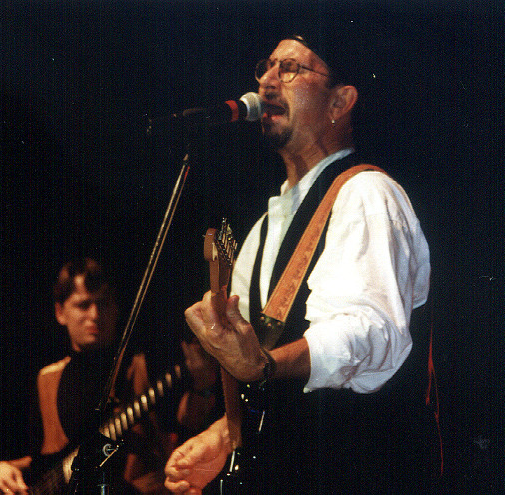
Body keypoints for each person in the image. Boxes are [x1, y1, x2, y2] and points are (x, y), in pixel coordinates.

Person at [164, 34, 436, 494]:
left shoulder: (367, 194)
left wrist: (265, 364)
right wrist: (224, 436)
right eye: (265, 67)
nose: (267, 81)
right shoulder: (262, 229)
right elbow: (259, 370)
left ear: (339, 102)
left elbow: (367, 332)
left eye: (289, 68)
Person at [0, 257, 171, 494]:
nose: (95, 315)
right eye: (83, 305)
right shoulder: (47, 380)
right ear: (60, 312)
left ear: (116, 309)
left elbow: (183, 429)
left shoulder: (142, 366)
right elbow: (45, 460)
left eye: (103, 303)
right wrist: (6, 467)